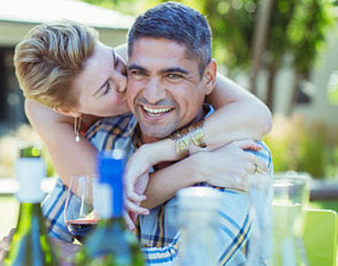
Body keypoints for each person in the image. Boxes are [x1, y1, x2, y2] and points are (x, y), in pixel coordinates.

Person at [79, 2, 272, 266]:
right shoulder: (106, 138)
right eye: (139, 73)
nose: (153, 95)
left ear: (208, 78)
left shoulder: (242, 155)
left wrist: (67, 258)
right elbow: (51, 233)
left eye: (173, 76)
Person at [14, 19, 271, 239]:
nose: (126, 82)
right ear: (69, 110)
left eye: (116, 63)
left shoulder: (137, 57)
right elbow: (121, 199)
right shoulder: (50, 117)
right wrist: (197, 167)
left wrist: (155, 152)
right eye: (106, 89)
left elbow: (256, 116)